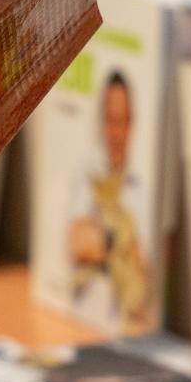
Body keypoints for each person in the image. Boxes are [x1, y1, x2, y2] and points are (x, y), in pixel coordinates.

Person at [67, 70, 153, 331]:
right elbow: (81, 243)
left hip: (129, 325)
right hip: (83, 319)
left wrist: (103, 236)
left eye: (123, 121)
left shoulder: (144, 188)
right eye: (111, 121)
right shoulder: (88, 174)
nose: (116, 133)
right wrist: (122, 241)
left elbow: (147, 269)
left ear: (132, 124)